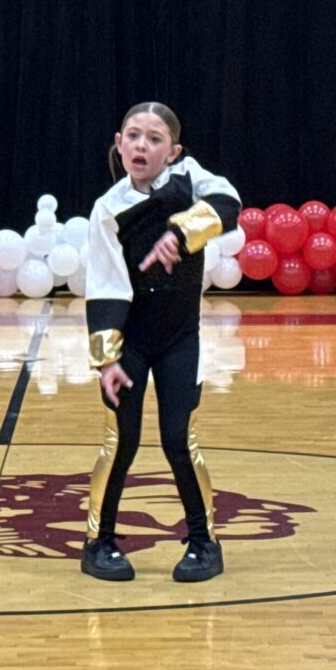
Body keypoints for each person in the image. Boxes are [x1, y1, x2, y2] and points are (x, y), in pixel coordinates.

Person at [81, 102, 241, 583]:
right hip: (130, 341)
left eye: (154, 139)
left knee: (178, 440)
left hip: (180, 338)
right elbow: (106, 286)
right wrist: (107, 360)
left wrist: (180, 232)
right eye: (133, 136)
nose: (141, 146)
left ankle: (204, 542)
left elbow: (229, 205)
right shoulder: (108, 210)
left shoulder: (192, 179)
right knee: (121, 440)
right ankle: (99, 542)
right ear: (119, 143)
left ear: (173, 151)